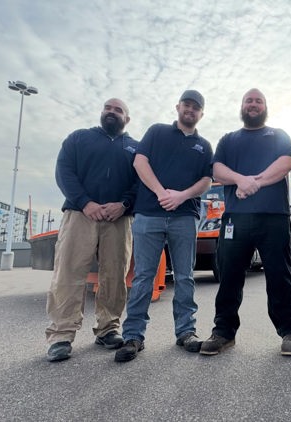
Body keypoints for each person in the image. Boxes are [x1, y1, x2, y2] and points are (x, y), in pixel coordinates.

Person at [200, 88, 291, 356]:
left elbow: (285, 164)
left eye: (258, 101)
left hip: (273, 217)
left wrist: (252, 182)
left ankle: (289, 331)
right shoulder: (228, 139)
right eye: (249, 100)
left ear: (266, 106)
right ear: (242, 106)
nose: (253, 104)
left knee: (280, 276)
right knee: (229, 276)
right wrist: (240, 180)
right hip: (236, 218)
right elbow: (217, 170)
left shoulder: (278, 135)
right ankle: (223, 332)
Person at [115, 90, 213, 363]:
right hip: (149, 215)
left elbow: (206, 180)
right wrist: (161, 193)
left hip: (185, 217)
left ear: (201, 114)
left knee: (185, 277)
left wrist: (181, 196)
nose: (190, 110)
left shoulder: (204, 145)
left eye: (196, 108)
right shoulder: (157, 132)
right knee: (144, 276)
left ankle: (186, 332)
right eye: (187, 105)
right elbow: (140, 162)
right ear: (178, 107)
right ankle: (133, 335)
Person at [45, 98, 139, 362]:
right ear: (101, 113)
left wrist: (124, 204)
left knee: (114, 275)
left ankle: (108, 328)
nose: (111, 112)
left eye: (118, 110)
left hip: (118, 219)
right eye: (107, 108)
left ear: (127, 119)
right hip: (79, 214)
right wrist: (85, 203)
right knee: (68, 273)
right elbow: (64, 172)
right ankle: (61, 335)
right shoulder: (79, 139)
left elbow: (140, 182)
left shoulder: (135, 148)